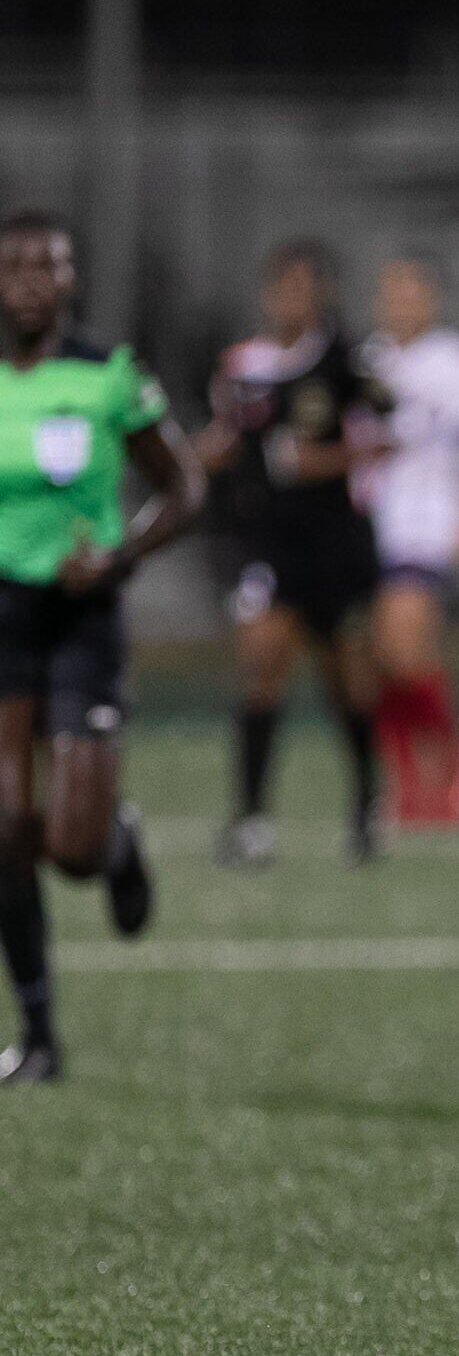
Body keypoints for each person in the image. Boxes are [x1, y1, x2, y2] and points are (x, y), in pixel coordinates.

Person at [0, 210, 206, 1084]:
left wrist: (121, 556)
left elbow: (185, 485)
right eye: (15, 266)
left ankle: (116, 841)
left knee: (69, 848)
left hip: (85, 616)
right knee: (3, 828)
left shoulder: (110, 375)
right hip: (5, 613)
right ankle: (39, 1033)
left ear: (72, 278)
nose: (32, 280)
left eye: (49, 265)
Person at [197, 240, 393, 867]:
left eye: (304, 288)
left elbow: (389, 436)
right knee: (259, 666)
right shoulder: (241, 363)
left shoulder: (347, 362)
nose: (291, 299)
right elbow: (227, 436)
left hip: (334, 541)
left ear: (323, 294)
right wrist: (207, 456)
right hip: (267, 540)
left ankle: (366, 804)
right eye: (282, 287)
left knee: (346, 683)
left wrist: (322, 461)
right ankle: (251, 820)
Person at [357, 253, 459, 826]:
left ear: (432, 295)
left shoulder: (455, 359)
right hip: (369, 524)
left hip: (425, 523)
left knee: (402, 650)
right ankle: (405, 788)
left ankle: (458, 768)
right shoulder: (368, 360)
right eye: (389, 288)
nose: (396, 299)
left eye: (408, 288)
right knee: (378, 663)